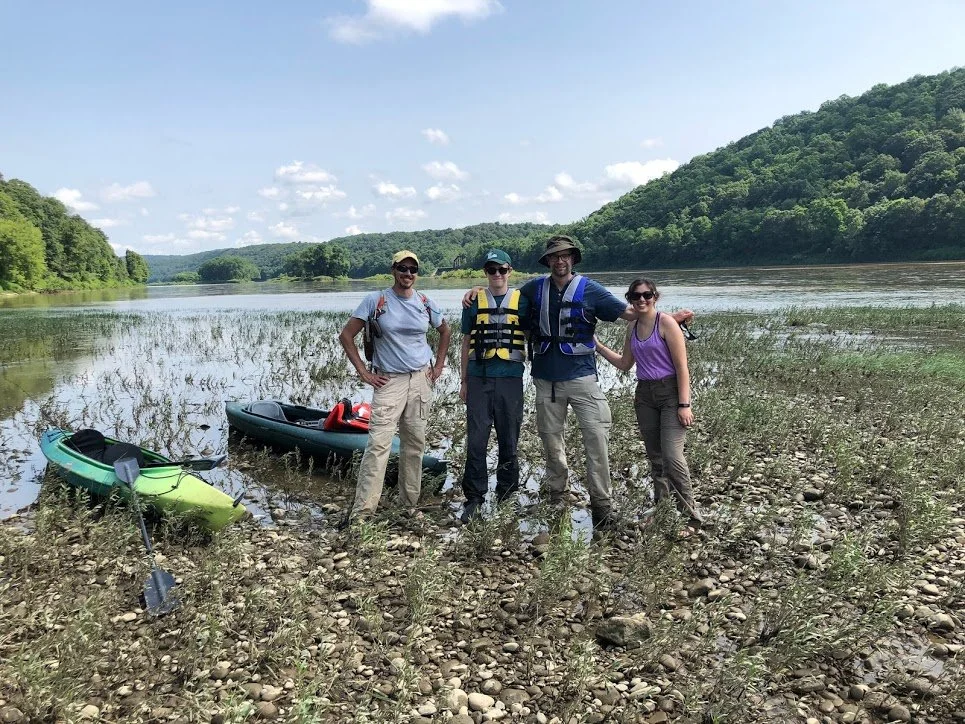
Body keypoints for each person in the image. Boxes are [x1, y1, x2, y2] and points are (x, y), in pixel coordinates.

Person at [465, 234, 692, 533]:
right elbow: (504, 293)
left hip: (583, 377)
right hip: (546, 380)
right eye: (554, 257)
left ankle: (602, 505)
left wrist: (667, 317)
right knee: (551, 443)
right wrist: (477, 289)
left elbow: (629, 313)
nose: (559, 261)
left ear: (573, 259)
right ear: (548, 261)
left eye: (565, 255)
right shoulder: (535, 288)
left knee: (597, 442)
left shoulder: (591, 289)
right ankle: (558, 496)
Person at [338, 250, 451, 521]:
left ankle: (409, 504)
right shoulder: (375, 300)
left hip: (420, 380)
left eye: (413, 270)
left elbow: (445, 330)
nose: (408, 274)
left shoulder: (425, 302)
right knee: (378, 445)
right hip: (389, 381)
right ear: (393, 270)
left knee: (414, 445)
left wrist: (437, 366)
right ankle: (363, 511)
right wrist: (364, 372)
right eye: (403, 268)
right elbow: (346, 336)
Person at [594, 278, 702, 534]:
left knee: (673, 457)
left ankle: (692, 518)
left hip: (670, 394)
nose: (642, 300)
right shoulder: (631, 327)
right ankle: (662, 511)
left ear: (655, 297)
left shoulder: (666, 323)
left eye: (647, 295)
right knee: (656, 458)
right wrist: (597, 346)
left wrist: (684, 404)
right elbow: (624, 364)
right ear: (630, 299)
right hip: (644, 395)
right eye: (636, 296)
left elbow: (682, 368)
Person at [459, 249, 529, 523]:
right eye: (491, 270)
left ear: (510, 271)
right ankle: (475, 497)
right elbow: (466, 341)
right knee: (476, 439)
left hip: (510, 378)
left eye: (501, 270)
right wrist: (463, 380)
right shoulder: (474, 300)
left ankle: (507, 493)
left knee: (509, 439)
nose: (497, 275)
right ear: (486, 273)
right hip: (479, 378)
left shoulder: (523, 300)